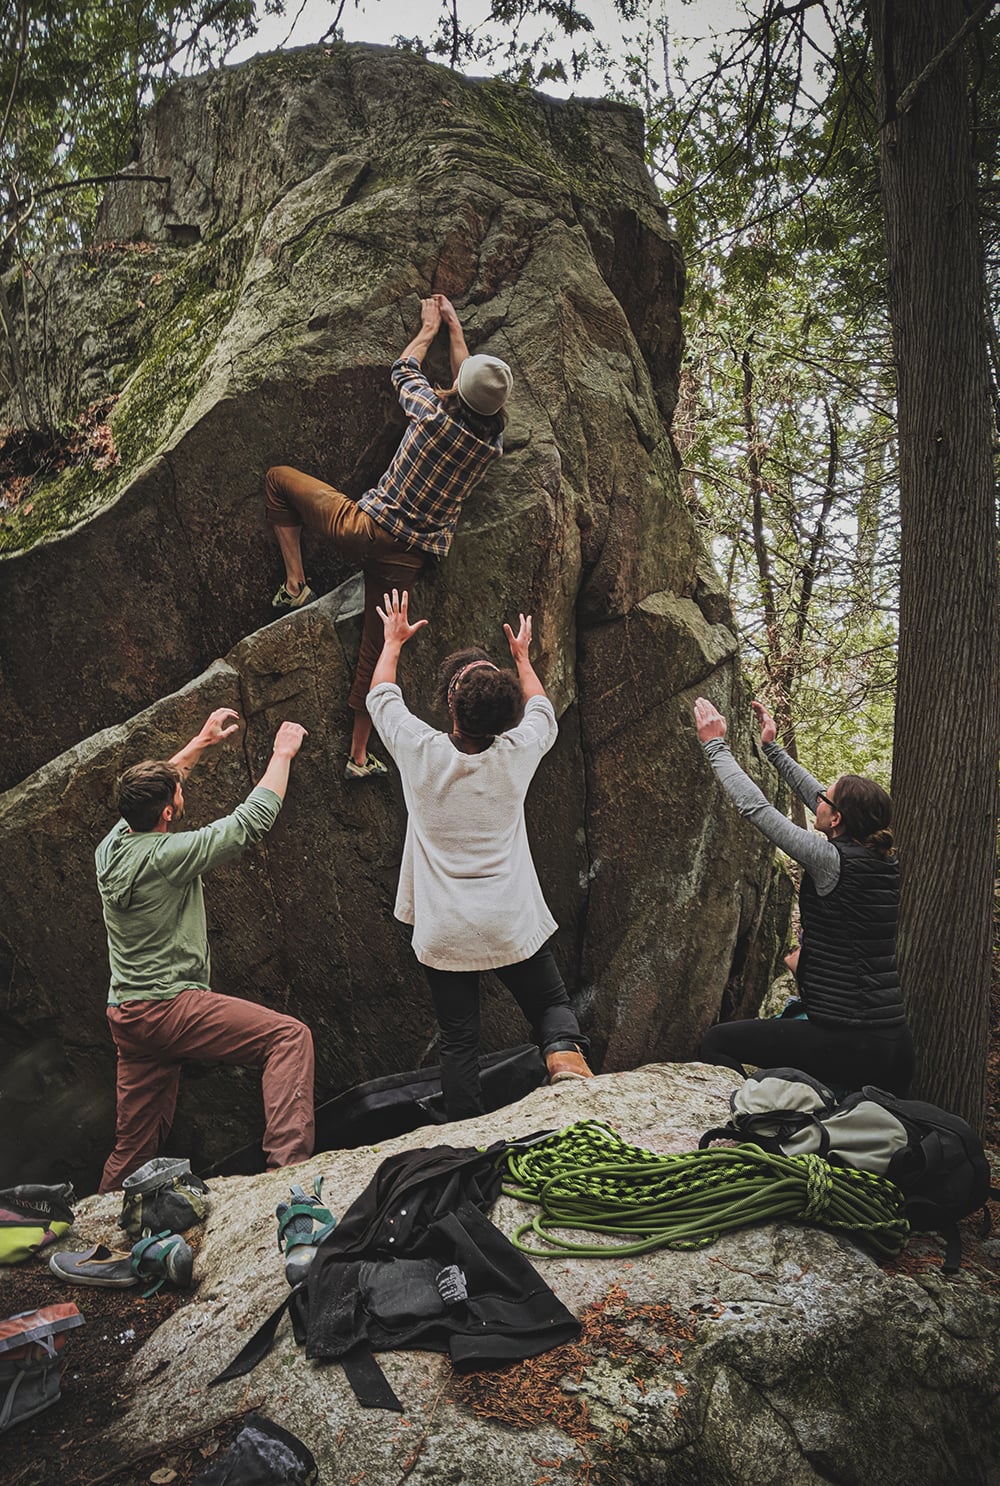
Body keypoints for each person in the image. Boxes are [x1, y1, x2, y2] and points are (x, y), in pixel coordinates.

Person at [366, 589, 593, 1120]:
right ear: (505, 720)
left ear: (450, 705)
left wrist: (393, 641)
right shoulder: (518, 754)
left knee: (459, 1042)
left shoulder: (419, 752)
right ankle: (563, 1058)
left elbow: (381, 696)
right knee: (550, 1006)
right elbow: (543, 711)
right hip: (509, 920)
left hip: (446, 930)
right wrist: (522, 658)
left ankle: (465, 1133)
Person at [265, 293, 512, 781]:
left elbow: (403, 369)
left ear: (457, 390)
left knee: (277, 479)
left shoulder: (429, 412)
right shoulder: (489, 447)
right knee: (377, 652)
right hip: (407, 559)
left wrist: (429, 329)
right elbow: (469, 392)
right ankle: (357, 757)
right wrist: (457, 332)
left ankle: (296, 586)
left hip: (364, 528)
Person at [96, 707, 315, 1193]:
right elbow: (248, 824)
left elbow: (155, 789)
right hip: (171, 1007)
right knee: (288, 1038)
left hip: (128, 1017)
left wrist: (200, 741)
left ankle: (99, 1228)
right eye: (176, 790)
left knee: (132, 1148)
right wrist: (282, 755)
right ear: (169, 813)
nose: (181, 787)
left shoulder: (110, 848)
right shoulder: (168, 855)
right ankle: (288, 1176)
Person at [692, 696, 914, 1095]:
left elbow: (757, 808)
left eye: (825, 801)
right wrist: (772, 749)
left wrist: (714, 745)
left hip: (850, 1041)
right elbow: (819, 794)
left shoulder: (830, 860)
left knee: (718, 1042)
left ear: (839, 818)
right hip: (893, 1043)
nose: (817, 802)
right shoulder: (881, 859)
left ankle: (748, 1128)